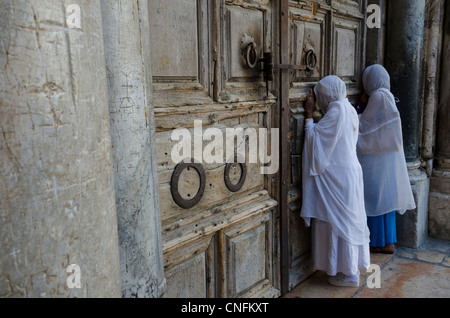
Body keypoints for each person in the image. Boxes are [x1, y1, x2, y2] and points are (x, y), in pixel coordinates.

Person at [301, 75, 370, 287]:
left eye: (320, 95)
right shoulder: (348, 108)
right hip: (348, 174)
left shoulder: (337, 111)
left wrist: (309, 115)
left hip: (339, 177)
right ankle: (349, 269)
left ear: (327, 94)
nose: (319, 99)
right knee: (346, 223)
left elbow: (317, 141)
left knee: (338, 224)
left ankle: (348, 273)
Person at [356, 64, 416, 254]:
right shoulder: (386, 95)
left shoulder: (379, 96)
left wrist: (357, 106)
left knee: (375, 199)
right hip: (385, 158)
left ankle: (380, 243)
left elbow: (363, 128)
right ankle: (387, 241)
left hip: (377, 161)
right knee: (385, 200)